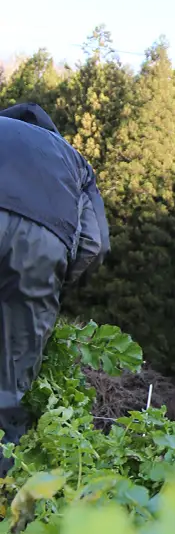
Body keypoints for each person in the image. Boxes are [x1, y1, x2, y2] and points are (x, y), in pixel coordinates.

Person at [0, 101, 110, 468]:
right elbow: (95, 244)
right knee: (9, 389)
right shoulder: (74, 159)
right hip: (42, 250)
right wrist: (53, 282)